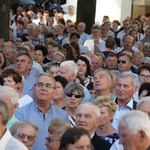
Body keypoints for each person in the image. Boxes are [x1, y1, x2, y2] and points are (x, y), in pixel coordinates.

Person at [15, 73, 69, 150]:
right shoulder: (20, 114)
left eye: (48, 86)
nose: (43, 88)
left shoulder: (62, 115)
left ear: (54, 92)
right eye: (40, 84)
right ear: (33, 89)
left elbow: (66, 143)